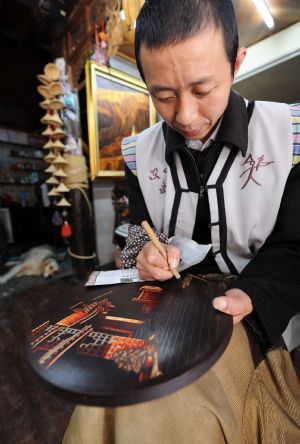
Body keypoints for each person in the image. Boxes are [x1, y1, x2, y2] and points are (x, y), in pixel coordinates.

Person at [63, 1, 300, 442]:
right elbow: (137, 234)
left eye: (203, 88)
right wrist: (145, 254)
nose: (185, 116)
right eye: (163, 96)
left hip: (251, 317)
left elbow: (295, 247)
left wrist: (250, 296)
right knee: (102, 399)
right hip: (166, 314)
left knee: (166, 412)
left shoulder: (289, 136)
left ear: (237, 62)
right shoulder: (138, 153)